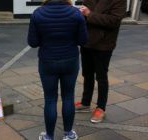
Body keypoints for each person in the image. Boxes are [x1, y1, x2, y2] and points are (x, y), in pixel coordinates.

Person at [27, 0, 88, 139]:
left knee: (50, 99)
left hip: (47, 61)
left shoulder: (37, 14)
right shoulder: (76, 14)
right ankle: (68, 134)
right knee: (68, 97)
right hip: (70, 61)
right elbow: (83, 40)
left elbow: (33, 42)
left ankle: (49, 136)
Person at [75, 0, 127, 123]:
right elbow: (85, 15)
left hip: (104, 45)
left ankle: (100, 108)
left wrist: (89, 14)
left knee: (101, 77)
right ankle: (85, 103)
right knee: (87, 74)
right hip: (87, 42)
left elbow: (114, 21)